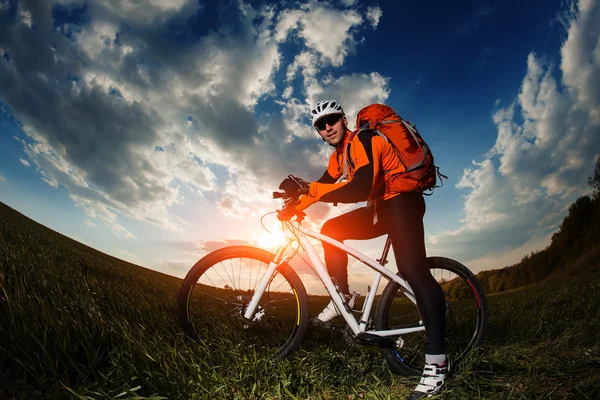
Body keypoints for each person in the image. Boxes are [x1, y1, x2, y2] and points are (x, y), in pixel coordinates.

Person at [279, 99, 448, 399]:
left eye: (332, 120)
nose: (327, 127)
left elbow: (361, 187)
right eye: (320, 125)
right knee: (331, 230)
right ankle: (343, 293)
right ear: (318, 132)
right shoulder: (339, 158)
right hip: (382, 207)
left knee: (412, 271)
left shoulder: (364, 139)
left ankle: (437, 364)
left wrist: (309, 189)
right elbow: (320, 187)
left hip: (402, 201)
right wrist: (294, 206)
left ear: (344, 120)